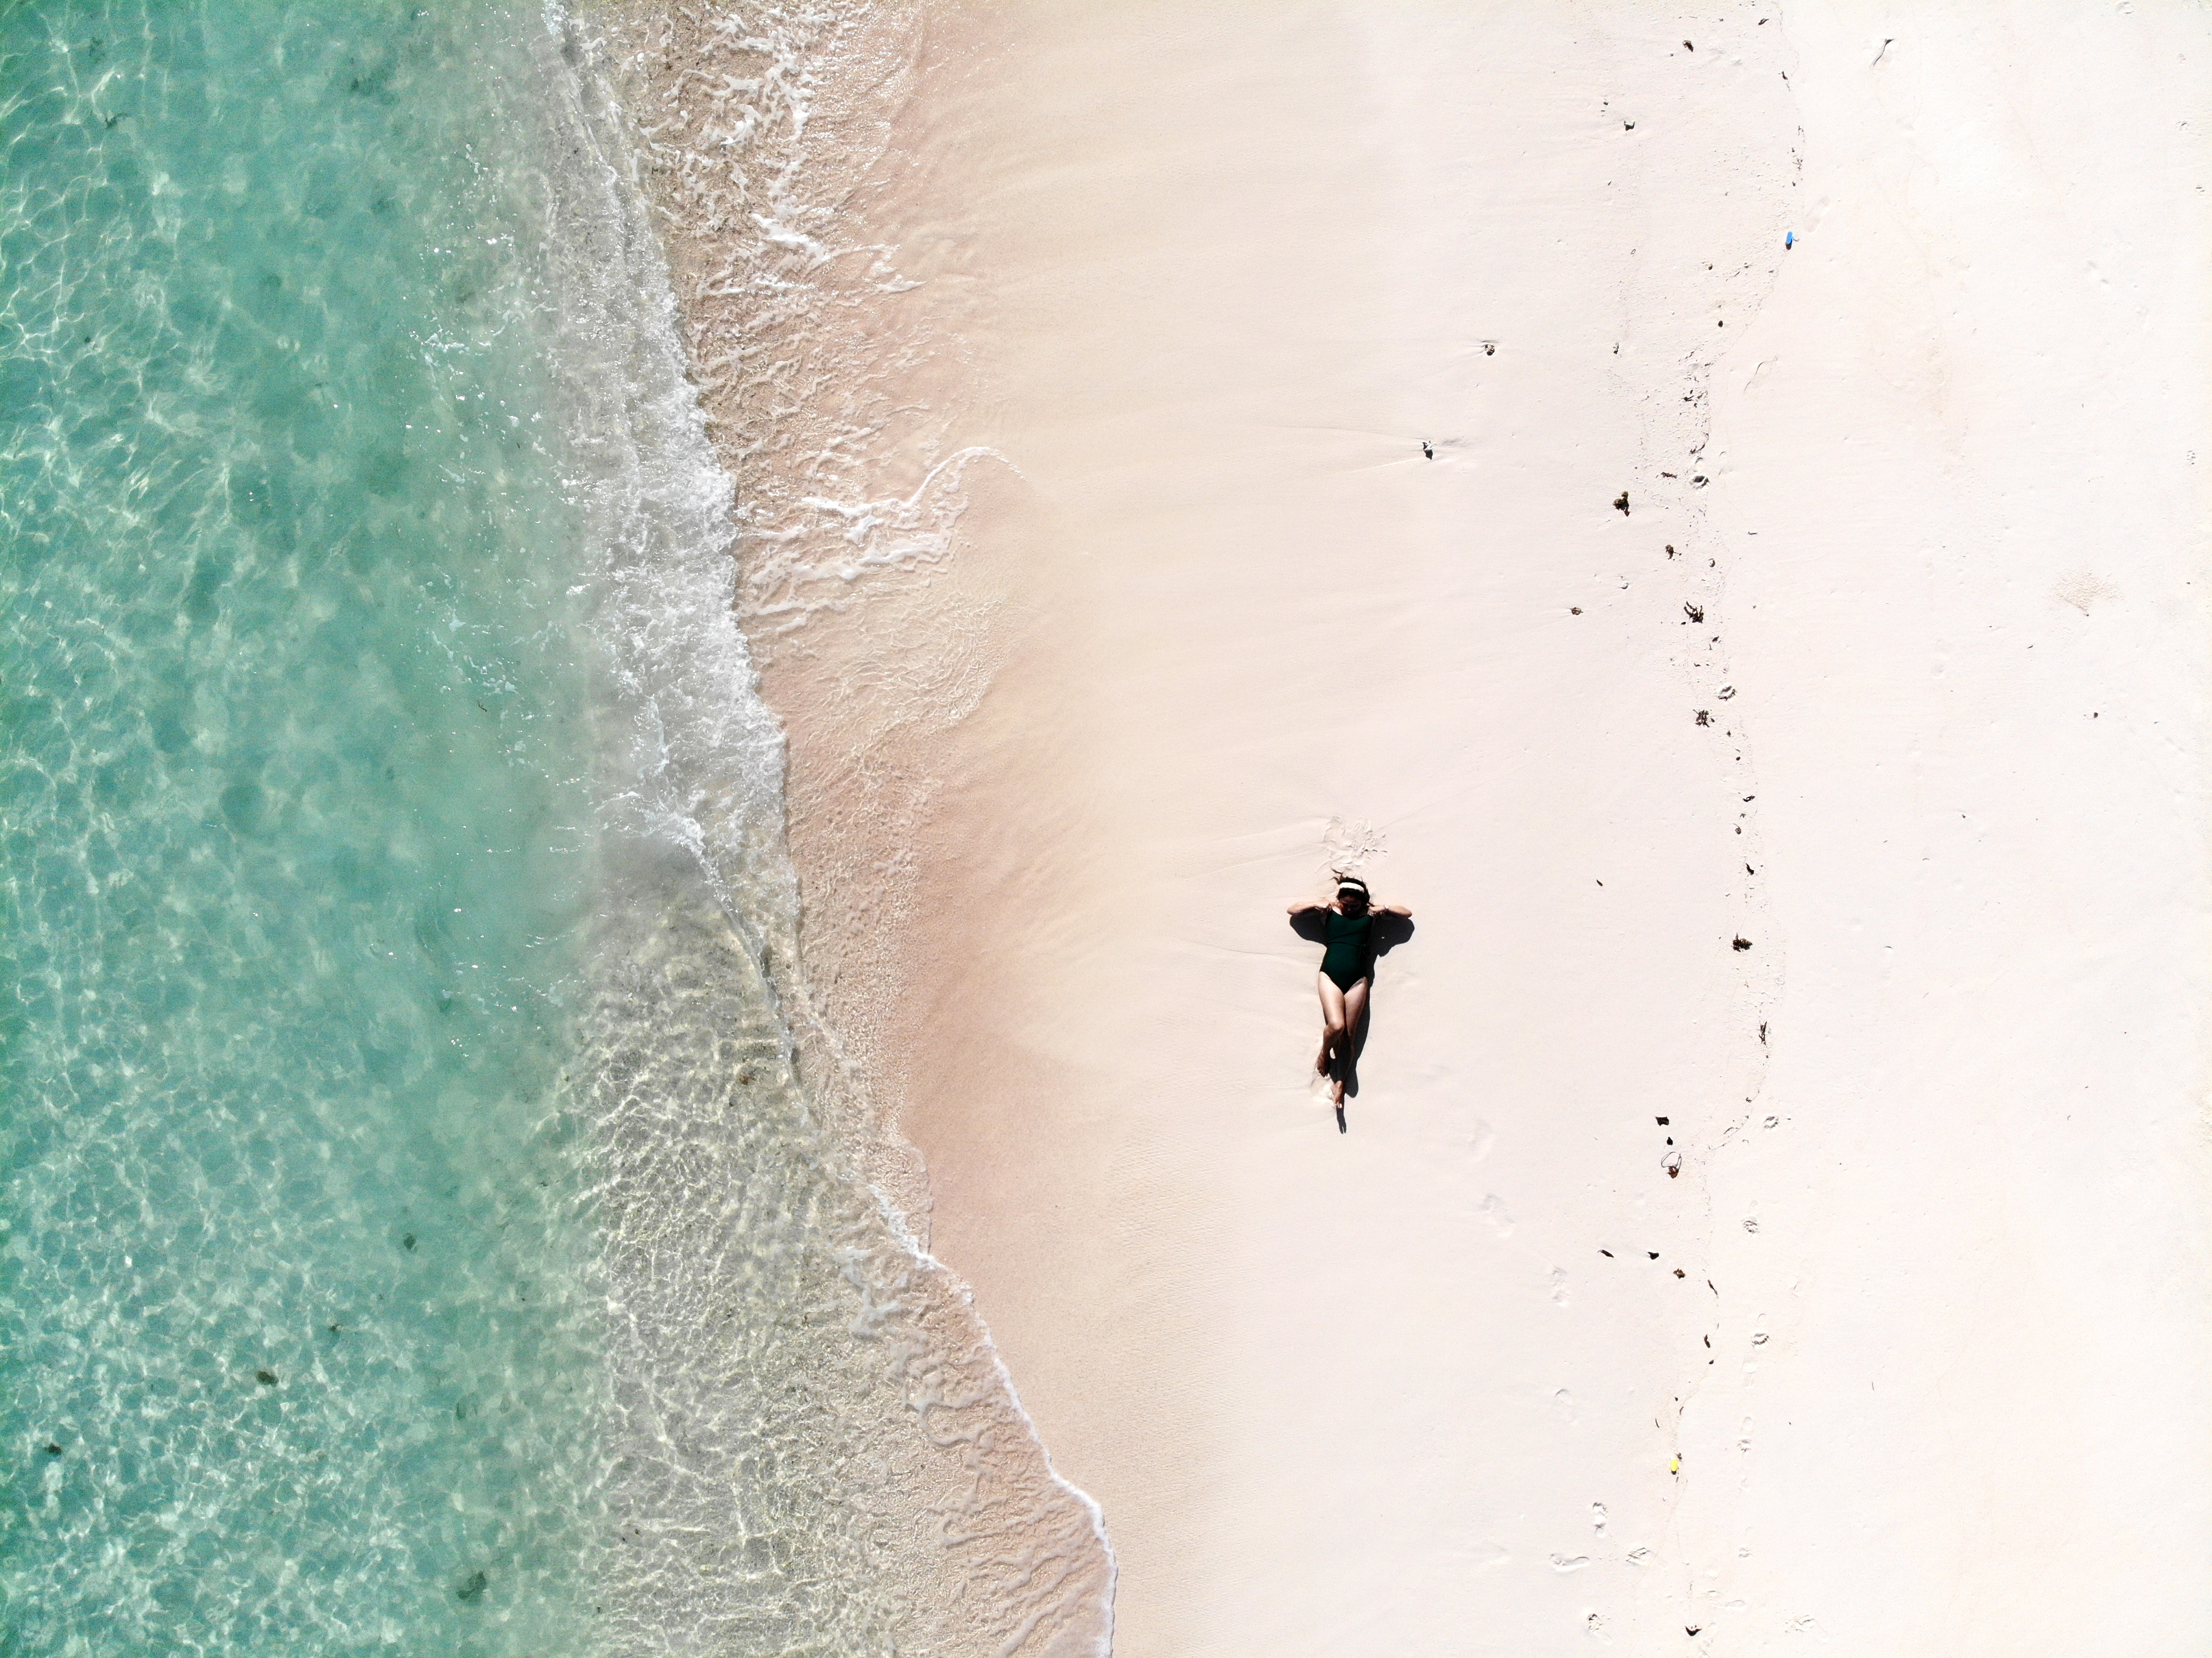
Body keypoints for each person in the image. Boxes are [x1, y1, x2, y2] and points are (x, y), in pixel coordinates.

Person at [1287, 874, 1411, 1105]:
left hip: (1358, 981)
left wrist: (1383, 908)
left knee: (1349, 1037)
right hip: (1330, 976)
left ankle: (1341, 1083)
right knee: (1337, 1026)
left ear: (1363, 902)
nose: (1350, 909)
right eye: (1346, 904)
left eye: (1355, 906)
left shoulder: (1371, 915)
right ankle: (1325, 1052)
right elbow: (1292, 911)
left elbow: (1406, 914)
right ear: (1339, 899)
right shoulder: (1329, 912)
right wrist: (1316, 905)